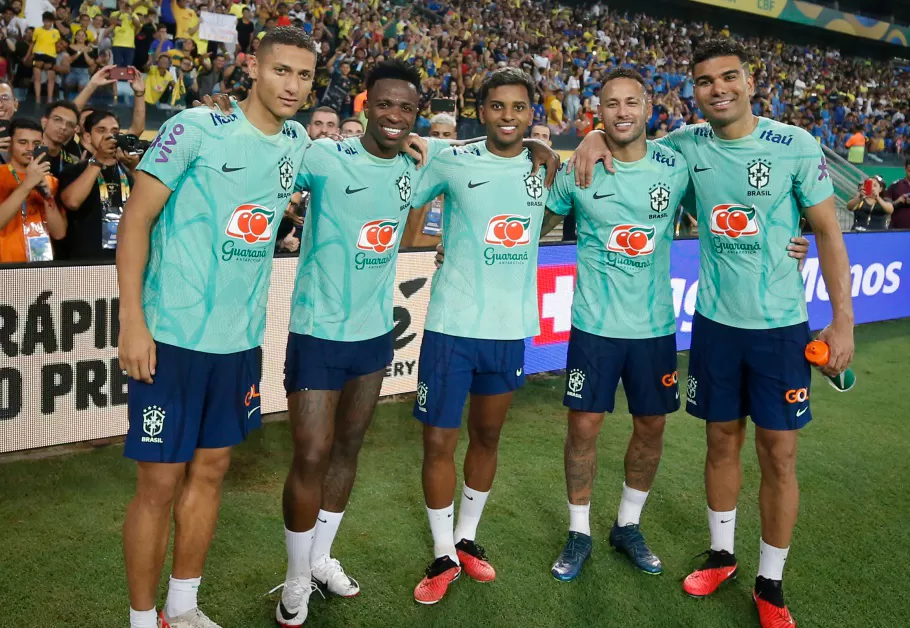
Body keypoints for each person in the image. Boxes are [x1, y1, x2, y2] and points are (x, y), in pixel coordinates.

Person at [571, 39, 854, 628]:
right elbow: (628, 143)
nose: (718, 89)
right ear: (692, 92)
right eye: (704, 81)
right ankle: (722, 554)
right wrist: (595, 137)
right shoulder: (685, 147)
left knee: (779, 455)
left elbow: (827, 232)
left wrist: (842, 322)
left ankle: (770, 584)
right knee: (719, 443)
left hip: (779, 328)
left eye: (728, 77)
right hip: (715, 325)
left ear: (750, 83)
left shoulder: (796, 146)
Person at [548, 69, 814, 582]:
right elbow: (537, 218)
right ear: (595, 112)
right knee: (583, 427)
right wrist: (579, 144)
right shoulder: (578, 166)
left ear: (649, 109)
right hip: (594, 326)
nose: (621, 113)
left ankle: (627, 524)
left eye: (631, 103)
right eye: (609, 105)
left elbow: (726, 206)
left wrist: (788, 241)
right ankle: (578, 530)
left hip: (654, 327)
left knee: (652, 427)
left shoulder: (675, 164)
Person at [115, 27, 317, 628]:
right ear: (252, 67)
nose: (293, 86)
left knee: (210, 472)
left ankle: (184, 607)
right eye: (282, 71)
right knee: (158, 485)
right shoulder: (194, 127)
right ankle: (141, 619)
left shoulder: (299, 140)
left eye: (304, 76)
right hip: (171, 337)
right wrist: (132, 319)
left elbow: (366, 159)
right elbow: (136, 221)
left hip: (237, 343)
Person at [273, 59, 446, 628]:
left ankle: (321, 558)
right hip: (318, 331)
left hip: (375, 333)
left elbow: (479, 162)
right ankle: (297, 575)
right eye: (386, 104)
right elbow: (272, 167)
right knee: (312, 453)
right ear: (365, 104)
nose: (395, 116)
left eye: (407, 108)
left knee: (347, 449)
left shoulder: (415, 167)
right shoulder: (325, 156)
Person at [410, 67, 556, 605]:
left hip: (509, 329)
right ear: (480, 110)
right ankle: (442, 551)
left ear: (531, 114)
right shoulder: (453, 158)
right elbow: (409, 189)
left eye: (519, 108)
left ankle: (468, 538)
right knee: (438, 441)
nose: (509, 117)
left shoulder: (546, 167)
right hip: (452, 326)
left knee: (488, 437)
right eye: (498, 107)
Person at [58, 109, 138, 260]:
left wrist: (135, 169)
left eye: (115, 131)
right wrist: (98, 160)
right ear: (87, 137)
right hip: (85, 260)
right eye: (101, 130)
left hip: (125, 259)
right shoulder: (74, 171)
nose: (109, 135)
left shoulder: (127, 173)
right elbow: (72, 202)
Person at [0, 118, 65, 263]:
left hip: (41, 265)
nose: (30, 148)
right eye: (22, 142)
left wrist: (47, 196)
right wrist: (27, 185)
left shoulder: (51, 181)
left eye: (36, 144)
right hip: (5, 267)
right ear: (10, 145)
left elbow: (59, 233)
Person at [402, 113, 456, 248]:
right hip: (407, 247)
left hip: (442, 250)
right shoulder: (411, 162)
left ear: (455, 137)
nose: (441, 139)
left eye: (446, 135)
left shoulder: (463, 169)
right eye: (436, 134)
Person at [27, 12, 60, 104]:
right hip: (38, 54)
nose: (47, 23)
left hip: (51, 55)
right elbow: (32, 44)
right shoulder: (37, 30)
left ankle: (49, 99)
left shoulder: (56, 32)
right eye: (45, 21)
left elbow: (57, 45)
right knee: (37, 77)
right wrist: (28, 56)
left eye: (49, 21)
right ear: (43, 21)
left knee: (51, 78)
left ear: (52, 22)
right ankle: (38, 99)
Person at [40, 100, 81, 175]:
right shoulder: (28, 154)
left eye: (70, 125)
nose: (63, 127)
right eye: (57, 120)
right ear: (44, 122)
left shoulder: (74, 162)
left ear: (74, 131)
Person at [110, 0, 139, 67]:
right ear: (118, 3)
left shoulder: (133, 15)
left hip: (130, 45)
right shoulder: (114, 13)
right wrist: (120, 12)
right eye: (122, 2)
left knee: (128, 67)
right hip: (117, 44)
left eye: (126, 3)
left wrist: (130, 13)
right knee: (117, 66)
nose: (124, 4)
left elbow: (138, 25)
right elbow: (112, 21)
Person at [885, 157, 910, 229]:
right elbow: (885, 207)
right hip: (896, 230)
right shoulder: (895, 185)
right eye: (909, 170)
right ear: (905, 169)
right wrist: (898, 201)